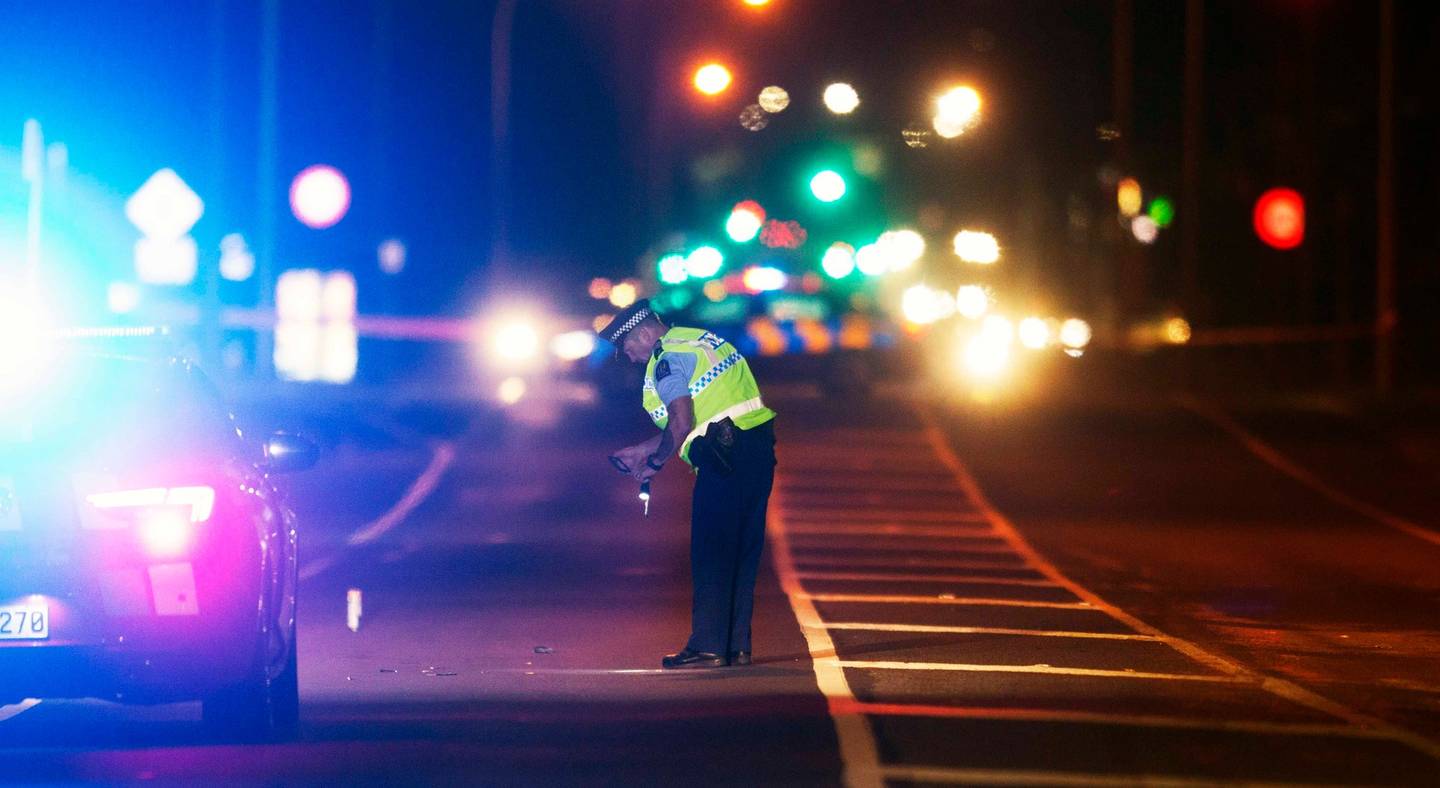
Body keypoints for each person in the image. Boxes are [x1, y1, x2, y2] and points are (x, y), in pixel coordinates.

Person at [600, 300, 777, 669]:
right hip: (756, 447)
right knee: (742, 552)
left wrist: (655, 462)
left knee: (711, 552)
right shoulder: (700, 340)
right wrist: (644, 449)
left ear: (645, 333)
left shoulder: (666, 359)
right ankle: (736, 647)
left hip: (723, 458)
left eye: (628, 348)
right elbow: (700, 413)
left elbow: (682, 419)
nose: (630, 358)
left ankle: (709, 646)